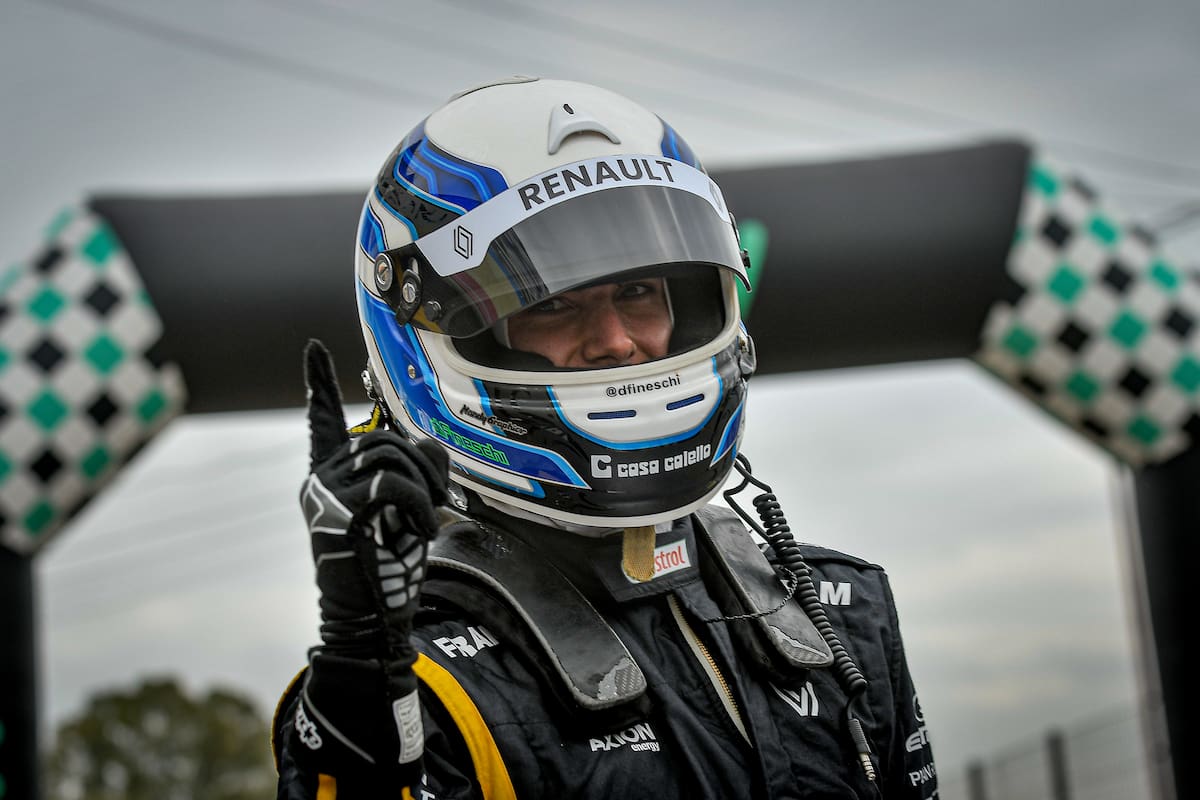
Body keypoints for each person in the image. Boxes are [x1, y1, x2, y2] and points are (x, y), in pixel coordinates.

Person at [273, 76, 937, 799]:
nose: (616, 341)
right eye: (551, 303)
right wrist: (362, 679)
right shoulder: (426, 688)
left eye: (637, 292)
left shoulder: (841, 610)